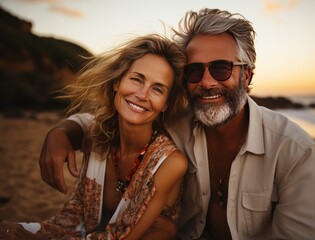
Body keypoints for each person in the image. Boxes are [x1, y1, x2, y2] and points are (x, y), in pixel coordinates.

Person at [37, 8, 315, 239]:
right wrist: (62, 132)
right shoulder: (174, 122)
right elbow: (110, 121)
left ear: (247, 76)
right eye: (194, 71)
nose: (207, 82)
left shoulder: (292, 150)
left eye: (221, 68)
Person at [0, 34, 188, 239]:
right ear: (117, 82)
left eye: (157, 89)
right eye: (136, 79)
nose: (142, 95)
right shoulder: (99, 135)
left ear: (166, 105)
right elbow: (82, 122)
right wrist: (57, 133)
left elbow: (119, 237)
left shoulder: (170, 163)